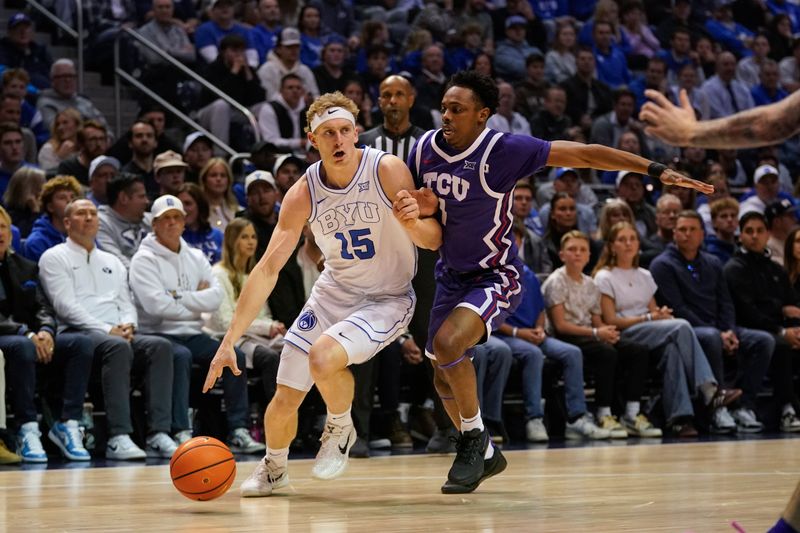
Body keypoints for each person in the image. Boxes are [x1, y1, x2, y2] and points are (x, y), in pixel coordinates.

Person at [407, 71, 710, 493]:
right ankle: (487, 454)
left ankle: (473, 441)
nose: (446, 115)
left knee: (448, 345)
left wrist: (655, 170)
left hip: (496, 274)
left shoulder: (504, 149)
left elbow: (585, 153)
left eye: (457, 109)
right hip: (448, 274)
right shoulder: (422, 150)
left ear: (483, 115)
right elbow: (413, 210)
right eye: (443, 106)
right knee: (442, 375)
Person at [203, 92, 442, 496]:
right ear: (313, 140)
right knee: (284, 396)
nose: (339, 140)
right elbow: (267, 269)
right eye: (328, 133)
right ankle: (274, 469)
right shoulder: (303, 192)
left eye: (346, 130)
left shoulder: (386, 168)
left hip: (387, 298)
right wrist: (229, 341)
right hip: (333, 293)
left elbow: (433, 240)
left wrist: (414, 223)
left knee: (322, 357)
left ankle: (340, 424)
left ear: (356, 133)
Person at [39, 198, 178, 459]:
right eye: (81, 213)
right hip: (75, 334)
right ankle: (119, 436)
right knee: (116, 347)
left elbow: (126, 301)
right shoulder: (54, 257)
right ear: (67, 223)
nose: (89, 217)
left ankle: (159, 432)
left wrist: (129, 325)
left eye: (93, 212)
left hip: (116, 332)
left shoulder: (111, 260)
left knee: (160, 346)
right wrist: (107, 329)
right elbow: (65, 306)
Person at [129, 194, 265, 451]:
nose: (172, 223)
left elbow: (215, 299)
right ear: (154, 224)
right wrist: (195, 301)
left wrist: (176, 296)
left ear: (183, 222)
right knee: (178, 356)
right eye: (165, 219)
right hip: (158, 333)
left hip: (192, 332)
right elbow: (155, 307)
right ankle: (180, 430)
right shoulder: (143, 259)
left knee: (232, 355)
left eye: (177, 217)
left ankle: (239, 429)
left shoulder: (196, 256)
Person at [593, 222, 742, 437]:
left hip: (650, 331)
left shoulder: (644, 274)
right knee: (681, 325)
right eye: (622, 240)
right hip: (625, 334)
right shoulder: (604, 276)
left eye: (632, 239)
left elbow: (656, 312)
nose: (628, 244)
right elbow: (611, 320)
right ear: (611, 246)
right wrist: (649, 317)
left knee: (673, 350)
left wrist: (660, 315)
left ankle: (680, 419)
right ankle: (709, 390)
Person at [650, 210, 774, 433]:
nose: (687, 234)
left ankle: (744, 406)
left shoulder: (713, 262)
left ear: (702, 234)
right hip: (687, 331)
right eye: (682, 230)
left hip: (719, 327)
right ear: (674, 234)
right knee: (710, 338)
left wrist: (728, 330)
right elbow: (679, 308)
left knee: (763, 341)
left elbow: (725, 302)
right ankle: (716, 408)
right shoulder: (662, 265)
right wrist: (718, 333)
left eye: (692, 229)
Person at [543, 230, 660, 438]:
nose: (577, 254)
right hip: (566, 337)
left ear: (589, 256)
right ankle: (603, 413)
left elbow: (597, 321)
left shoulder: (590, 283)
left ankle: (632, 413)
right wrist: (598, 333)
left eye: (582, 250)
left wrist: (607, 333)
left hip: (590, 333)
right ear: (562, 255)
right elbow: (560, 325)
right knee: (606, 353)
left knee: (637, 350)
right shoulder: (556, 281)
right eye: (572, 250)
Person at [0, 205, 95, 462]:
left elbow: (43, 306)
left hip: (31, 335)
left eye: (3, 227)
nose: (0, 233)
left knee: (80, 343)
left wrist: (45, 331)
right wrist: (27, 334)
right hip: (11, 337)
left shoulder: (26, 266)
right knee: (22, 347)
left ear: (11, 233)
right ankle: (26, 427)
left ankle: (68, 423)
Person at [723, 212, 800, 432]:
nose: (755, 236)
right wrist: (781, 329)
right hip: (746, 328)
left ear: (768, 234)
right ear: (740, 236)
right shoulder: (734, 269)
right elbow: (748, 311)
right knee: (779, 345)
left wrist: (793, 329)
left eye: (759, 231)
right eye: (749, 231)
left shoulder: (776, 269)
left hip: (778, 328)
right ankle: (784, 408)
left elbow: (792, 304)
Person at [203, 217, 286, 410]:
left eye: (253, 237)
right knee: (269, 358)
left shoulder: (254, 274)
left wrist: (273, 325)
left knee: (299, 349)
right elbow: (224, 322)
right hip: (231, 339)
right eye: (244, 237)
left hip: (258, 335)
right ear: (232, 241)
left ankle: (307, 419)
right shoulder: (218, 274)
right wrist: (267, 327)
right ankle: (272, 421)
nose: (251, 242)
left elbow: (263, 314)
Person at [96, 174, 151, 268]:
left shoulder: (148, 219)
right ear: (123, 198)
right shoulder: (101, 222)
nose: (147, 202)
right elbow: (115, 261)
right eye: (141, 196)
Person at [23, 175, 81, 263]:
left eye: (72, 197)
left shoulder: (84, 232)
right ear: (50, 207)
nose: (70, 201)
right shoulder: (37, 242)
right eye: (62, 198)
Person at [178, 183, 223, 264]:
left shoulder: (217, 235)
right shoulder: (174, 239)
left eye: (188, 203)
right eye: (179, 205)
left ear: (200, 205)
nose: (183, 209)